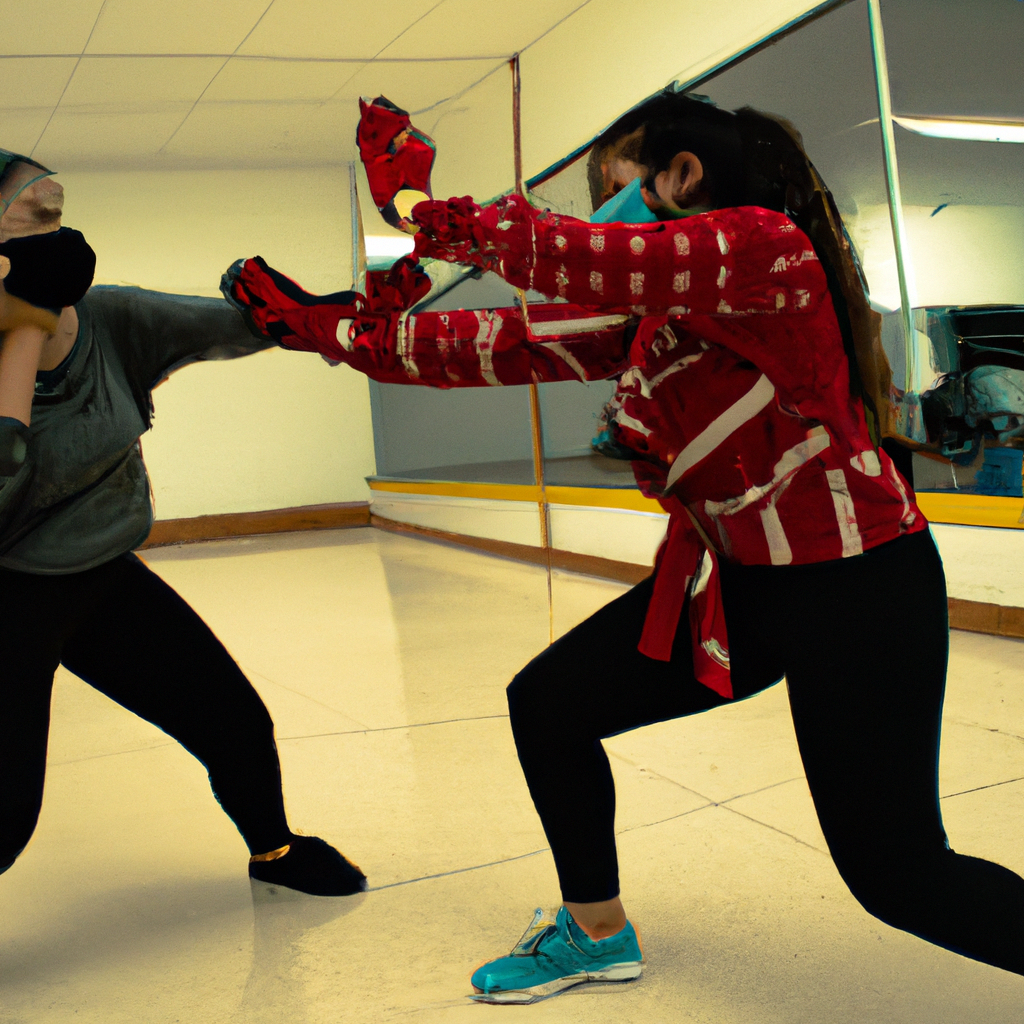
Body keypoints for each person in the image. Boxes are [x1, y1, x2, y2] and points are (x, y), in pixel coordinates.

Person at [223, 92, 1024, 998]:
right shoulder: (656, 313)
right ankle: (596, 933)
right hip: (747, 586)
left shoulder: (765, 249)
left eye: (612, 190)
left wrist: (414, 208)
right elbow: (490, 341)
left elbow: (568, 254)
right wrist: (321, 330)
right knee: (552, 705)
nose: (601, 217)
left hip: (860, 591)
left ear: (681, 176)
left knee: (901, 876)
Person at [0, 150, 366, 897]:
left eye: (59, 216)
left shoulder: (110, 319)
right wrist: (23, 334)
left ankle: (276, 851)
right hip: (10, 597)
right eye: (35, 217)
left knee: (234, 720)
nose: (58, 234)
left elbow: (229, 326)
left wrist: (314, 319)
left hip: (103, 577)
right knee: (6, 808)